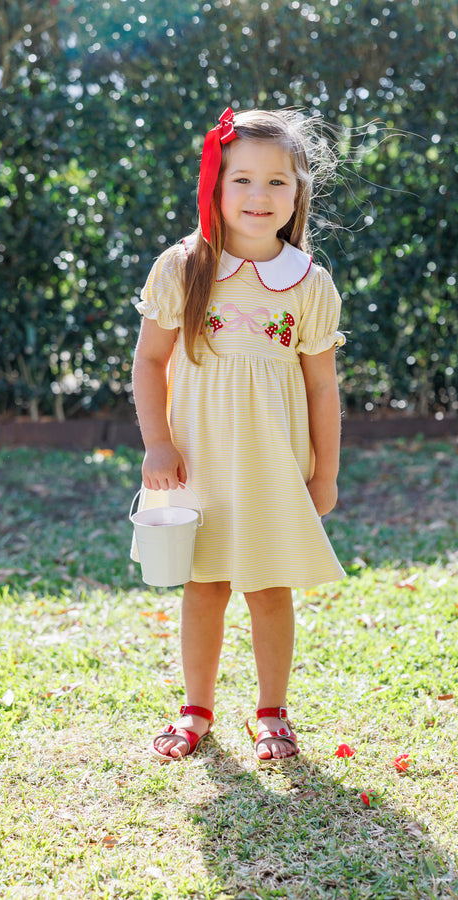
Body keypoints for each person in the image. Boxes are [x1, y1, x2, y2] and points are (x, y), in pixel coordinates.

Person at [131, 107, 346, 763]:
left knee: (268, 585)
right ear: (215, 186)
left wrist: (325, 472)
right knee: (204, 586)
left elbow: (320, 387)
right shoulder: (184, 268)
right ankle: (195, 709)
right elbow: (148, 361)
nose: (259, 196)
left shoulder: (308, 285)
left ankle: (272, 712)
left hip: (273, 463)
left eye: (277, 182)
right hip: (200, 461)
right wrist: (158, 443)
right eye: (242, 180)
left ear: (299, 190)